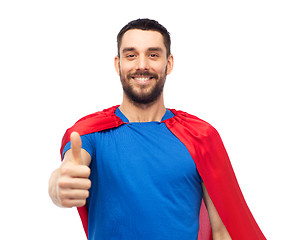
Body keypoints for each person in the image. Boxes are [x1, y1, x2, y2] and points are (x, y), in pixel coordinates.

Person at [48, 19, 266, 240]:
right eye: (131, 55)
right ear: (118, 64)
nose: (142, 65)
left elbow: (222, 231)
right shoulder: (90, 133)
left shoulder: (199, 136)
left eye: (153, 55)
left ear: (169, 63)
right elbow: (69, 169)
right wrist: (58, 186)